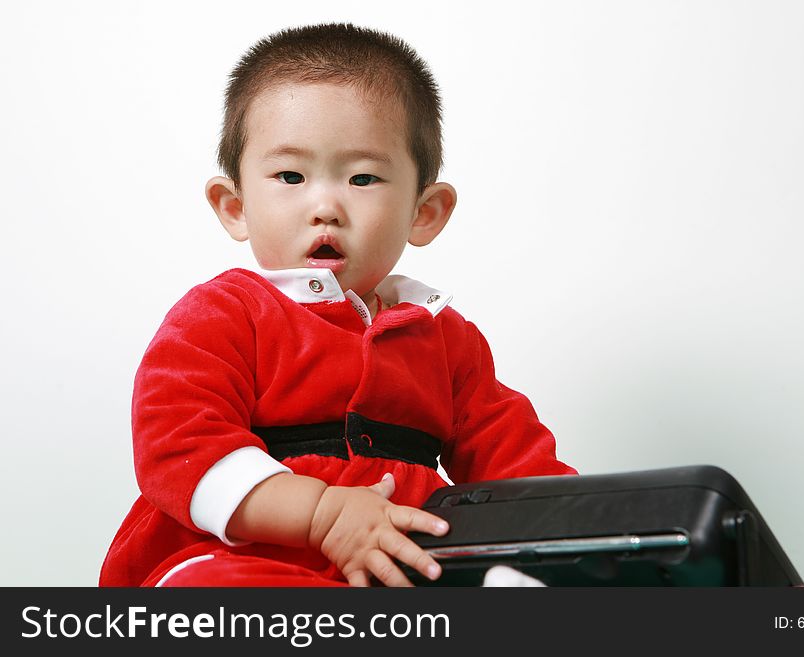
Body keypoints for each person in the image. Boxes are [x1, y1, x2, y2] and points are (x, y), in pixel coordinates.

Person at [99, 23, 577, 588]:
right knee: (202, 591)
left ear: (424, 213)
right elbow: (179, 447)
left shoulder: (446, 339)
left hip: (402, 567)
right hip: (248, 559)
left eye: (363, 177)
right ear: (235, 206)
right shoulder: (222, 316)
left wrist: (573, 534)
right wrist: (323, 513)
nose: (324, 205)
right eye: (290, 175)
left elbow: (517, 464)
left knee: (527, 579)